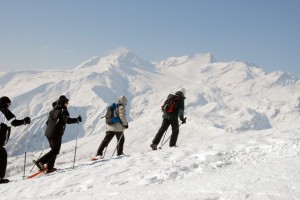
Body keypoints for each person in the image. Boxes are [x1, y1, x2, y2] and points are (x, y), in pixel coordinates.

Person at [35, 95, 82, 173]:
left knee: (53, 150)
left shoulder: (53, 111)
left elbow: (47, 122)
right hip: (55, 133)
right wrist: (76, 119)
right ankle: (40, 162)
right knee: (55, 150)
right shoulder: (63, 110)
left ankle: (50, 167)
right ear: (64, 103)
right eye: (67, 102)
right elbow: (67, 120)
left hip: (48, 133)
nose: (67, 104)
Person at [0, 96, 31, 184]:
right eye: (9, 104)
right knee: (2, 155)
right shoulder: (3, 110)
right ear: (5, 104)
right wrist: (24, 121)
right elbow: (13, 122)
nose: (9, 106)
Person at [92, 96, 129, 160]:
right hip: (118, 128)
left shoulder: (114, 107)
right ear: (124, 101)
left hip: (110, 126)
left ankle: (98, 154)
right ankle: (120, 153)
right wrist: (125, 124)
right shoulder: (121, 107)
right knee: (121, 140)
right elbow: (122, 116)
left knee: (106, 141)